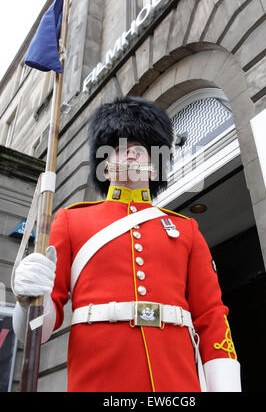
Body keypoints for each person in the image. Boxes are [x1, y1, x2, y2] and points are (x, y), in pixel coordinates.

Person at [12, 96, 241, 392]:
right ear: (105, 170)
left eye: (139, 150)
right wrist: (27, 299)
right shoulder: (71, 221)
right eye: (118, 150)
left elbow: (211, 316)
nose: (130, 155)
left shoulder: (187, 230)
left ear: (155, 169)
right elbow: (38, 331)